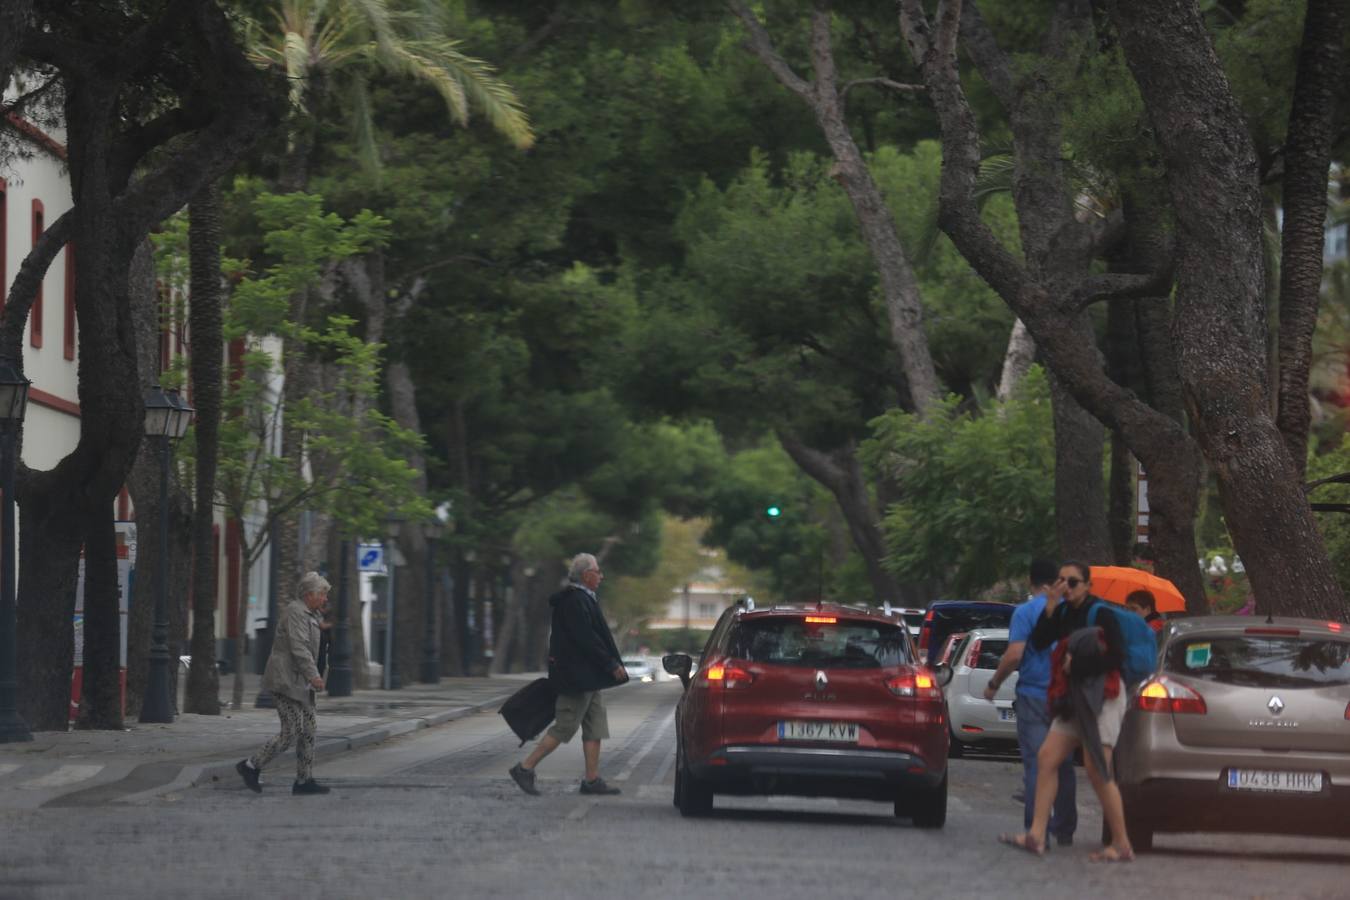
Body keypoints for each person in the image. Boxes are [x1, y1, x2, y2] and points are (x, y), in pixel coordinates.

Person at [998, 561, 1135, 862]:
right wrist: (1049, 605)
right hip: (1074, 696)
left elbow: (1117, 657)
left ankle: (1122, 843)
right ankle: (1036, 835)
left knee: (1097, 768)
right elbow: (1040, 641)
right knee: (1047, 757)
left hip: (1104, 697)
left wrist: (1080, 666)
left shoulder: (1101, 613)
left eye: (1073, 582)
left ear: (1087, 585)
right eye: (1061, 581)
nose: (1066, 587)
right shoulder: (1061, 611)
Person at [509, 553, 629, 796]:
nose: (602, 576)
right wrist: (610, 664)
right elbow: (587, 639)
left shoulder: (585, 599)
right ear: (586, 575)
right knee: (565, 727)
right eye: (598, 571)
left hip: (589, 679)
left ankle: (592, 780)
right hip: (576, 679)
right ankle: (525, 767)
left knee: (595, 728)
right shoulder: (574, 601)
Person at [984, 557, 1076, 846]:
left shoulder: (1025, 613)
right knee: (1063, 763)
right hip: (1066, 695)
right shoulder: (1070, 611)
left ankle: (1036, 830)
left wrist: (994, 683)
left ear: (1030, 581)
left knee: (1037, 764)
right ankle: (1064, 828)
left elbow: (1014, 655)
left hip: (1035, 695)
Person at [237, 571, 331, 796]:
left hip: (302, 683)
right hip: (286, 681)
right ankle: (250, 766)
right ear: (310, 594)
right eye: (323, 594)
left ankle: (303, 781)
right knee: (291, 731)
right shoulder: (295, 612)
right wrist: (314, 675)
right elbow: (299, 647)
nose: (325, 599)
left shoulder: (311, 614)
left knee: (309, 729)